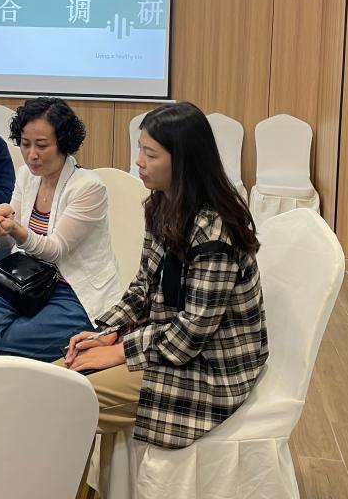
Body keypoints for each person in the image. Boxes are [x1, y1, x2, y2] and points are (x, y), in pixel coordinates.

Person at [63, 102, 267, 464]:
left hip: (209, 369)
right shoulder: (162, 204)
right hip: (166, 345)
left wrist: (120, 351)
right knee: (55, 380)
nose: (139, 161)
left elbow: (193, 332)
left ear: (183, 161)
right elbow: (143, 285)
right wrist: (109, 333)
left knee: (64, 401)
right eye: (140, 149)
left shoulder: (215, 231)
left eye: (150, 154)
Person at [0, 97, 123, 361]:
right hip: (27, 283)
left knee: (9, 341)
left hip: (73, 292)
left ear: (63, 143)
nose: (32, 154)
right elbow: (8, 244)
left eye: (42, 145)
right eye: (25, 144)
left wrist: (15, 229)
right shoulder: (26, 175)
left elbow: (54, 250)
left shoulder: (88, 187)